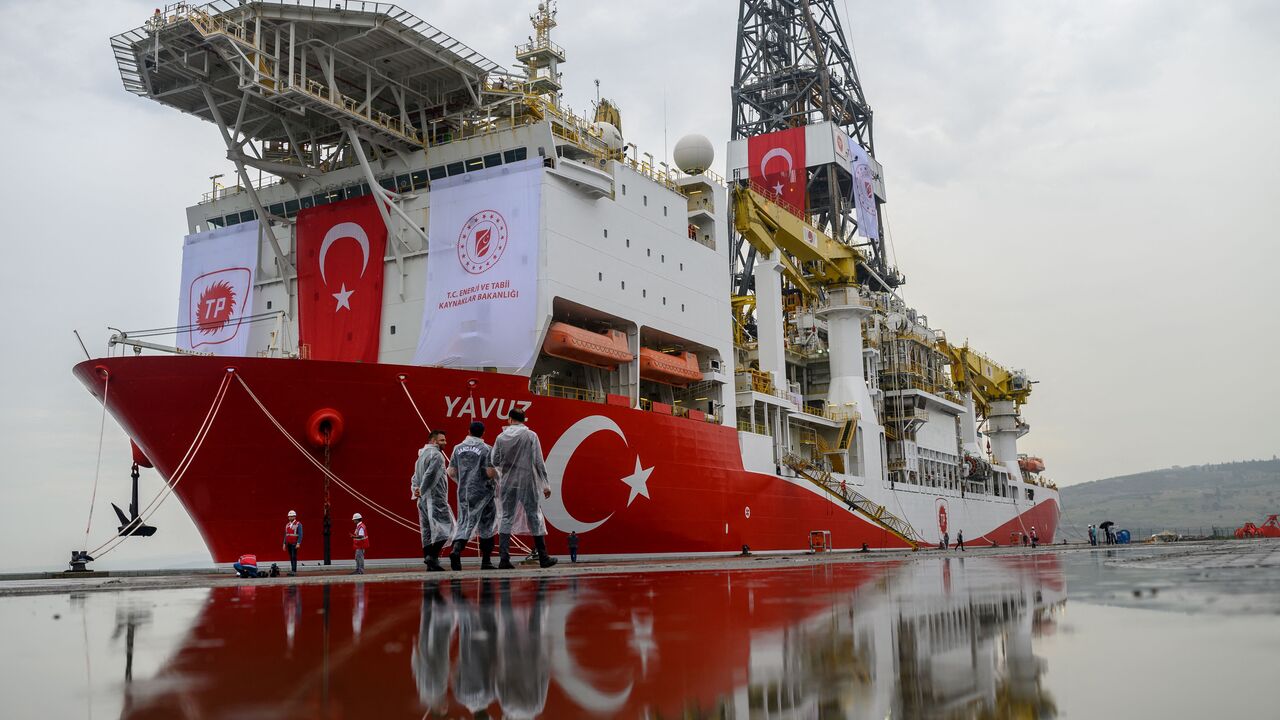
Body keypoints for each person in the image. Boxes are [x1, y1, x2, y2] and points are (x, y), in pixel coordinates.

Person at [491, 409, 558, 569]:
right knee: (534, 515)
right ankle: (543, 557)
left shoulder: (500, 437)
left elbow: (494, 460)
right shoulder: (530, 436)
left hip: (508, 481)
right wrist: (546, 485)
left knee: (506, 517)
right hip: (528, 481)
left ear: (509, 419)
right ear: (524, 420)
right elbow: (538, 461)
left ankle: (504, 559)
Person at [447, 421, 499, 571]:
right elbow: (490, 473)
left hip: (464, 492)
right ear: (483, 433)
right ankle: (486, 561)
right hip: (484, 492)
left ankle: (456, 550)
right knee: (487, 526)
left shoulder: (457, 448)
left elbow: (451, 472)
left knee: (464, 523)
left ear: (468, 431)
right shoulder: (486, 449)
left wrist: (463, 481)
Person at [413, 430, 456, 572]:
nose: (445, 443)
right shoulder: (437, 455)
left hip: (422, 500)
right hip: (435, 498)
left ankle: (430, 562)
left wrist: (417, 491)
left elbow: (415, 477)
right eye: (441, 440)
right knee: (448, 528)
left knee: (426, 531)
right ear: (432, 441)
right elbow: (430, 475)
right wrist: (423, 489)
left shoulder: (421, 456)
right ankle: (432, 556)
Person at [282, 510, 303, 576]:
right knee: (291, 557)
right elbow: (286, 535)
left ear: (294, 517)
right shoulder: (287, 525)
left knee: (294, 556)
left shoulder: (298, 524)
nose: (290, 518)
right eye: (289, 516)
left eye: (291, 516)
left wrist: (298, 543)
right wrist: (284, 543)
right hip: (289, 543)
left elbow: (300, 534)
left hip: (294, 543)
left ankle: (294, 570)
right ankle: (292, 570)